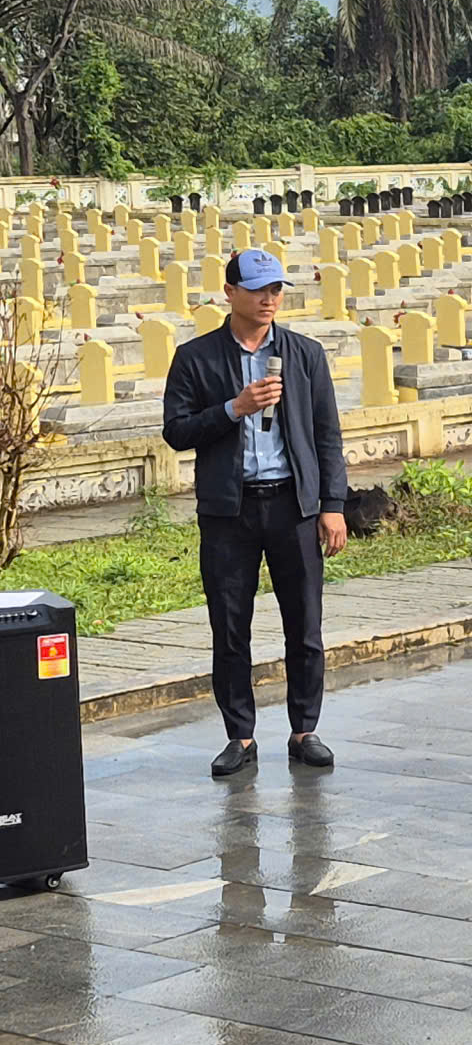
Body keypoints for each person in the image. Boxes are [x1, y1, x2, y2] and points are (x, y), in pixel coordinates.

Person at [159, 248, 348, 778]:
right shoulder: (195, 358)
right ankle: (239, 736)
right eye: (259, 289)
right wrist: (232, 409)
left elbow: (327, 437)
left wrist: (332, 505)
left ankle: (305, 729)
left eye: (277, 290)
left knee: (305, 626)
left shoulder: (305, 354)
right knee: (230, 627)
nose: (270, 299)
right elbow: (176, 431)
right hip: (229, 511)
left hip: (293, 505)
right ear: (230, 294)